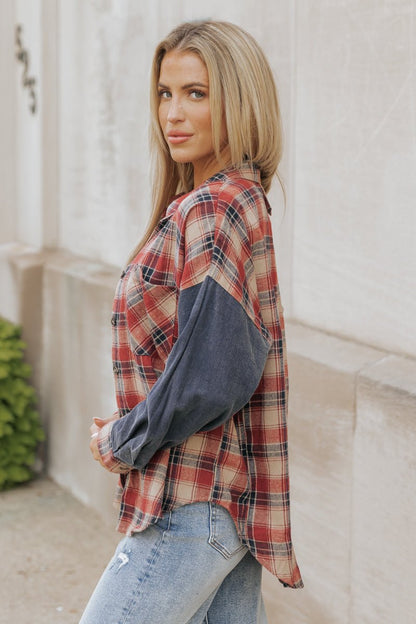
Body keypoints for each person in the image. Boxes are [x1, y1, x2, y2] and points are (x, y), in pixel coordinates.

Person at [80, 19, 303, 624]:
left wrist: (124, 439)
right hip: (216, 505)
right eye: (164, 93)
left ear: (238, 99)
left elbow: (213, 372)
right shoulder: (231, 200)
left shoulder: (216, 205)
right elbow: (209, 359)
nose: (173, 113)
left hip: (188, 503)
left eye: (196, 93)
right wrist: (140, 420)